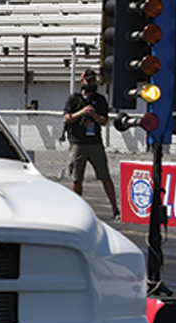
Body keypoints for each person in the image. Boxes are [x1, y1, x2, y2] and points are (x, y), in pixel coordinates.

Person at [63, 68, 120, 219]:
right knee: (77, 178)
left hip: (95, 143)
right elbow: (66, 118)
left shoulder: (100, 99)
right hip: (78, 143)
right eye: (89, 81)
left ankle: (115, 208)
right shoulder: (74, 99)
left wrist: (94, 114)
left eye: (94, 81)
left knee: (105, 176)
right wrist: (81, 112)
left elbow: (104, 121)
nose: (91, 84)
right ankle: (77, 208)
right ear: (82, 82)